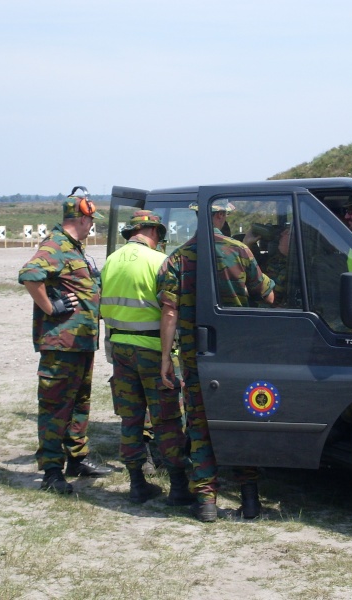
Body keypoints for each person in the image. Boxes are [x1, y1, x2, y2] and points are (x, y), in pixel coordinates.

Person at [157, 200, 275, 522]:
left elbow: (169, 311)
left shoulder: (177, 259)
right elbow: (268, 296)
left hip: (197, 356)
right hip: (239, 355)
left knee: (199, 425)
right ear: (220, 216)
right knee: (240, 422)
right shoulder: (240, 252)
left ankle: (207, 502)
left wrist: (166, 358)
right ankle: (250, 500)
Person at [18, 186, 111, 494]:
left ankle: (76, 458)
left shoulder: (74, 247)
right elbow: (30, 274)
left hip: (80, 343)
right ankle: (52, 471)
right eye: (91, 219)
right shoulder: (56, 245)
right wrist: (50, 307)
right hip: (61, 345)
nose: (93, 224)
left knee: (79, 404)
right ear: (80, 218)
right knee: (55, 407)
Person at [100, 210, 194, 505]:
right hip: (153, 350)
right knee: (166, 418)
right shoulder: (159, 261)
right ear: (153, 231)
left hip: (121, 348)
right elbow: (170, 311)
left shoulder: (111, 261)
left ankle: (137, 483)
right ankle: (178, 487)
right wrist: (168, 356)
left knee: (131, 418)